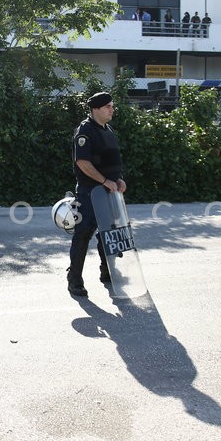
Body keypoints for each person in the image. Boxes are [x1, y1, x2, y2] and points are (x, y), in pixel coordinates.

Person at [67, 92, 126, 297]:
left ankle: (107, 271)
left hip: (109, 191)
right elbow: (83, 163)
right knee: (83, 234)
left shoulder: (108, 130)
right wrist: (104, 181)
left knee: (109, 233)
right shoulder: (85, 131)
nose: (112, 109)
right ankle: (74, 279)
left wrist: (118, 179)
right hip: (90, 192)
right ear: (96, 109)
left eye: (112, 106)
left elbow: (111, 161)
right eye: (108, 106)